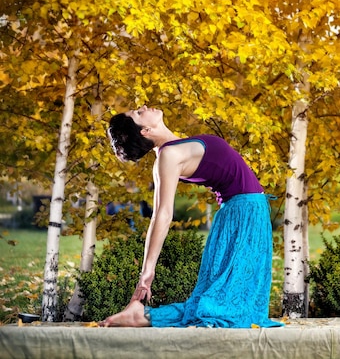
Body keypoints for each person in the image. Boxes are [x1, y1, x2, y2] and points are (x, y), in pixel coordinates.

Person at [101, 105, 282, 328]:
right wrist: (147, 272)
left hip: (245, 213)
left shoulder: (175, 147)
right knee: (228, 309)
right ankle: (142, 316)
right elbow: (162, 215)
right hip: (243, 214)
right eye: (138, 113)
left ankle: (141, 316)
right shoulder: (169, 155)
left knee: (241, 304)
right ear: (145, 131)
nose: (143, 107)